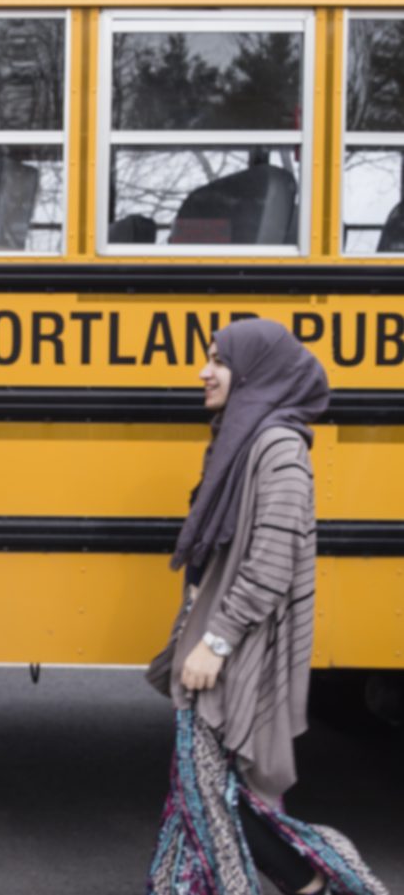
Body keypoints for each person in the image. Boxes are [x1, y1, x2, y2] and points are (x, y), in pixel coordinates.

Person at [146, 319, 387, 895]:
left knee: (213, 791)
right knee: (201, 788)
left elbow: (271, 562)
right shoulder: (241, 437)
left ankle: (321, 878)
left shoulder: (278, 448)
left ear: (254, 372)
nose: (204, 372)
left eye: (218, 361)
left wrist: (216, 642)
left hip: (238, 648)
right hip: (213, 638)